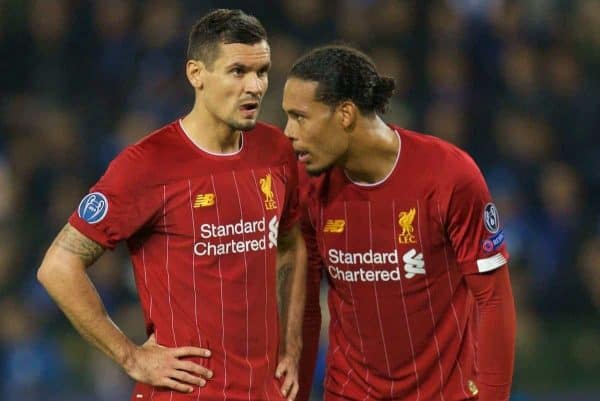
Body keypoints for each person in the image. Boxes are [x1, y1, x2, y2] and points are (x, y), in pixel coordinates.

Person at [37, 9, 306, 401]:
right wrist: (131, 356)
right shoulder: (147, 165)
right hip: (184, 393)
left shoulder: (277, 151)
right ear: (196, 74)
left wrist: (292, 342)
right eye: (237, 72)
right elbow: (58, 266)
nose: (255, 86)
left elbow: (291, 242)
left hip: (265, 391)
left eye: (262, 71)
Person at [282, 45, 516, 401]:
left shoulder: (449, 176)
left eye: (300, 117)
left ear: (345, 114)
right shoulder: (308, 185)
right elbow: (307, 303)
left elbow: (493, 298)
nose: (288, 131)